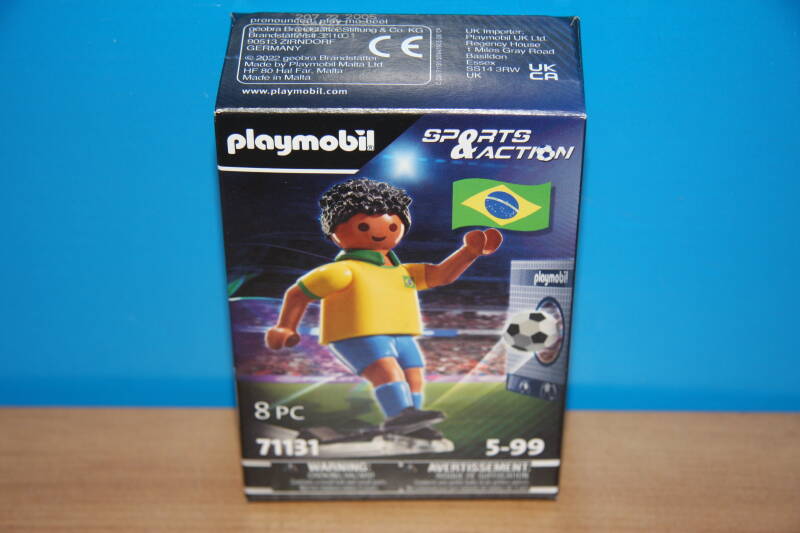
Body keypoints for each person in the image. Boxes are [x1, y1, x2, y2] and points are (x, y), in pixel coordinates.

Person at [266, 178, 502, 432]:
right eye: (363, 226)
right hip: (357, 334)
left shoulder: (403, 271)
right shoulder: (343, 271)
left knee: (414, 373)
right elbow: (298, 294)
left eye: (392, 226)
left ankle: (413, 421)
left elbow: (441, 275)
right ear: (335, 233)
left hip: (401, 333)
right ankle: (400, 415)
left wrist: (469, 253)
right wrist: (285, 327)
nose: (380, 232)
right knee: (387, 372)